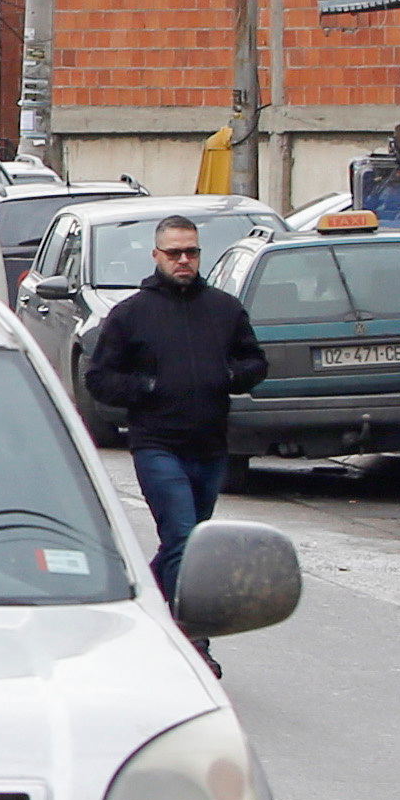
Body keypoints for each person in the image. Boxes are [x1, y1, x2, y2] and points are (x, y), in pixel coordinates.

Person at [81, 215, 268, 656]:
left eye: (192, 252)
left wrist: (227, 376)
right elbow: (100, 379)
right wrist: (147, 388)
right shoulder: (131, 315)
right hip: (157, 445)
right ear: (156, 256)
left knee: (189, 545)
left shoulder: (224, 309)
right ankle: (192, 639)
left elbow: (255, 364)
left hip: (210, 447)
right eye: (174, 253)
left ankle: (136, 605)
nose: (184, 260)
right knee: (184, 538)